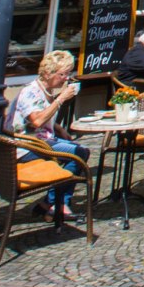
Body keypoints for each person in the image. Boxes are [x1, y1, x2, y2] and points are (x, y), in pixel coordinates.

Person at [6, 49, 86, 218]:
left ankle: (52, 202)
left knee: (80, 151)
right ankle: (56, 202)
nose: (66, 78)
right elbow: (36, 121)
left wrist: (59, 128)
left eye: (68, 73)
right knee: (78, 154)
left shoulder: (46, 90)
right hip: (25, 146)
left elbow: (40, 116)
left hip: (41, 140)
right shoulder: (31, 91)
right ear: (49, 73)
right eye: (62, 74)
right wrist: (61, 98)